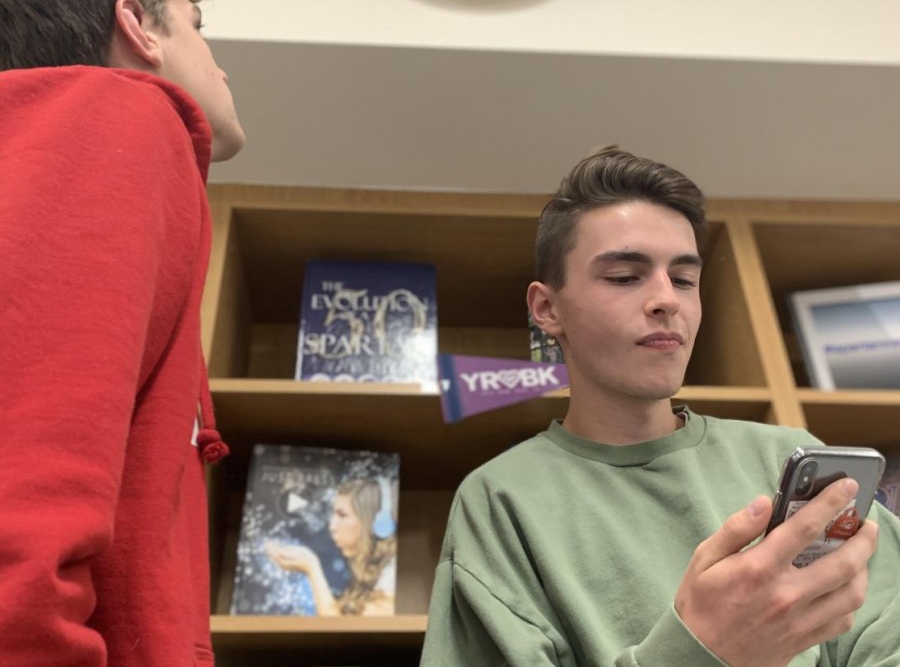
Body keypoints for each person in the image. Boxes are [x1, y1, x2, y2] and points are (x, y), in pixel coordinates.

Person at [421, 146, 900, 667]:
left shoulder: (788, 456)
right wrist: (702, 650)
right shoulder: (499, 502)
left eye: (685, 279)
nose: (666, 299)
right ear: (547, 309)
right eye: (625, 277)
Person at [0, 0, 246, 666]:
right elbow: (20, 521)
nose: (218, 61)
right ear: (138, 26)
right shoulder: (114, 118)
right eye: (198, 26)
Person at [266, 478, 397, 616]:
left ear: (377, 524)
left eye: (342, 515)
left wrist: (311, 567)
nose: (332, 526)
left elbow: (340, 628)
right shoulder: (370, 573)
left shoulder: (391, 574)